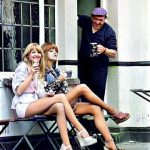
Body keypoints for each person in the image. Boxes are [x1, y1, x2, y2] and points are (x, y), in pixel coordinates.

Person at [41, 42, 129, 150]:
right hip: (53, 105)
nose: (54, 52)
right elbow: (45, 91)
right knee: (82, 87)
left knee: (95, 108)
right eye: (51, 50)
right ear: (44, 53)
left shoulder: (56, 70)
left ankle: (110, 143)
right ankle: (112, 110)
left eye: (55, 50)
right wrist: (61, 80)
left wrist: (71, 89)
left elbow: (62, 90)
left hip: (66, 104)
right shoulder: (41, 70)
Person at [11, 43, 97, 150]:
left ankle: (66, 145)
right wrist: (30, 76)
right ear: (28, 55)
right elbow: (18, 91)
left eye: (39, 52)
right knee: (61, 97)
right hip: (23, 106)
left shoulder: (37, 69)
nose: (37, 54)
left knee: (59, 106)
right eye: (33, 52)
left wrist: (47, 94)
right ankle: (80, 130)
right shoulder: (22, 67)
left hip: (35, 103)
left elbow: (39, 92)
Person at [78, 7, 117, 101]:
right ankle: (84, 114)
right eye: (95, 19)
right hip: (83, 65)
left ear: (105, 19)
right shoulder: (86, 22)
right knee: (82, 90)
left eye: (101, 20)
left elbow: (114, 53)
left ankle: (96, 113)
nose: (97, 22)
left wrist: (104, 50)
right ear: (91, 17)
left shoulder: (109, 31)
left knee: (97, 93)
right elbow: (71, 16)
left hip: (99, 69)